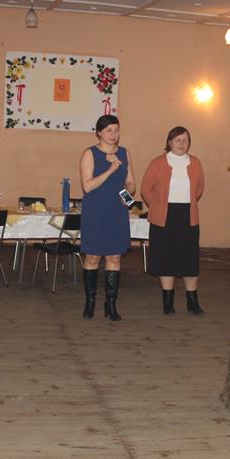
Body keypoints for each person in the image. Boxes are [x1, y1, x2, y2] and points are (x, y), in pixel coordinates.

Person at [140, 126, 206, 315]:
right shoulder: (158, 163)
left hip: (187, 216)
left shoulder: (195, 163)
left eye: (185, 140)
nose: (182, 144)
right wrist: (158, 206)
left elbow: (199, 189)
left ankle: (192, 301)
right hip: (163, 216)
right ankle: (167, 302)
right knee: (166, 258)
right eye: (178, 140)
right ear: (169, 142)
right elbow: (145, 189)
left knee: (189, 260)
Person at [79, 115, 135, 322]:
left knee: (114, 257)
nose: (113, 134)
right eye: (109, 130)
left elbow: (131, 183)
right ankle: (90, 301)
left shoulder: (124, 153)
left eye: (116, 130)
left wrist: (127, 195)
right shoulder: (90, 154)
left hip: (116, 211)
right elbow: (87, 186)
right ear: (99, 133)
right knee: (92, 257)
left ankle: (110, 303)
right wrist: (110, 170)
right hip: (95, 210)